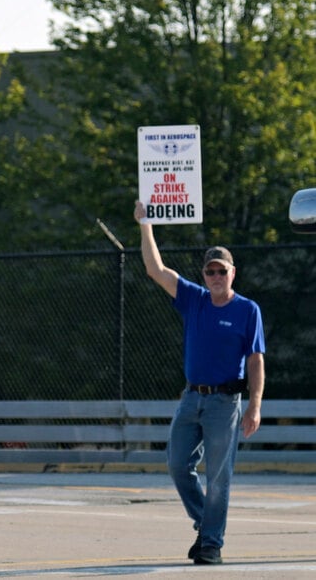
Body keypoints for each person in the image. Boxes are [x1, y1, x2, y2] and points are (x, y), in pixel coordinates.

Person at [134, 200, 265, 565]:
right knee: (177, 464)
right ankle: (204, 523)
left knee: (219, 477)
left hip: (226, 402)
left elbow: (256, 359)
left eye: (221, 270)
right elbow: (155, 269)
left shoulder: (247, 310)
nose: (215, 277)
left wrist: (254, 404)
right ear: (204, 275)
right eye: (210, 271)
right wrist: (145, 224)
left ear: (233, 273)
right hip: (191, 398)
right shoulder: (194, 300)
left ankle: (211, 544)